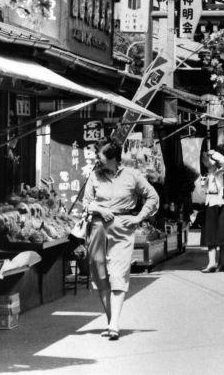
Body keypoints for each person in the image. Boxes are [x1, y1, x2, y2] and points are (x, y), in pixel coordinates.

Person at [82, 139, 160, 340]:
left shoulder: (133, 175)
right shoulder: (94, 176)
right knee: (99, 273)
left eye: (100, 156)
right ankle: (111, 321)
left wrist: (138, 217)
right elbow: (86, 203)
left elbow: (152, 197)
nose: (97, 159)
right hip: (98, 227)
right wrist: (99, 209)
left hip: (123, 228)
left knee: (118, 273)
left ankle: (114, 324)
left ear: (112, 158)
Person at [199, 143, 224, 272]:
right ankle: (211, 262)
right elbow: (206, 184)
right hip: (211, 202)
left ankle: (221, 263)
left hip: (223, 203)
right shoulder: (212, 169)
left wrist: (215, 154)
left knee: (223, 236)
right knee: (210, 235)